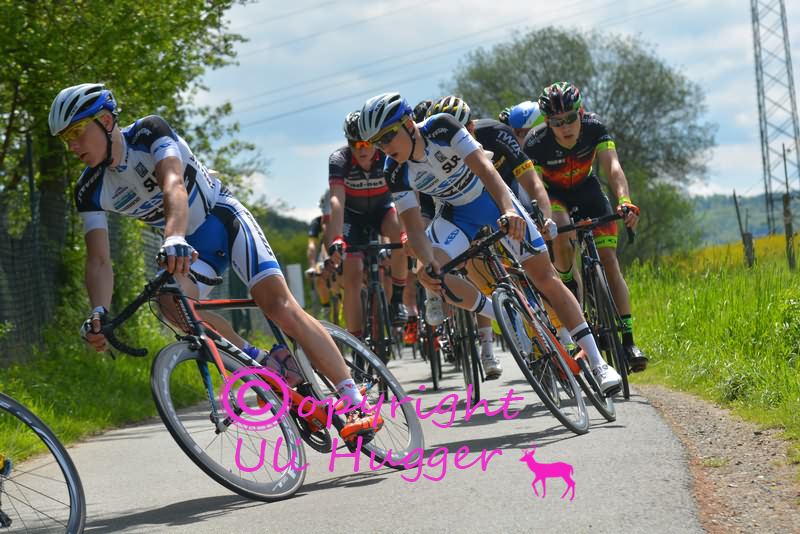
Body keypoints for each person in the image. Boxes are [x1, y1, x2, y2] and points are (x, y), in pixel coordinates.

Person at [50, 83, 381, 443]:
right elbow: (98, 258)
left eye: (76, 132)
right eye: (65, 139)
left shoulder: (148, 132)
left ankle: (354, 399)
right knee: (172, 303)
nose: (72, 146)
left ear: (105, 121)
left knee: (278, 306)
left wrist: (173, 237)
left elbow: (173, 184)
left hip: (222, 220)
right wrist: (98, 311)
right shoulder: (89, 188)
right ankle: (265, 364)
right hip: (190, 247)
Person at [359, 92, 622, 395]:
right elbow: (414, 226)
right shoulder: (394, 171)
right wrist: (428, 261)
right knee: (429, 274)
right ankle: (502, 315)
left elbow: (486, 170)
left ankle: (599, 363)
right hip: (456, 215)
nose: (384, 147)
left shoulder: (442, 127)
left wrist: (509, 210)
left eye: (387, 136)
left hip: (492, 200)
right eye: (377, 143)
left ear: (408, 123)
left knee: (544, 277)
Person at [424, 95, 558, 378]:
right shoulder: (431, 157)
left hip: (503, 192)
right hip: (463, 210)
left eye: (464, 131)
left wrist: (544, 216)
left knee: (539, 267)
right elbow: (426, 212)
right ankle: (489, 347)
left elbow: (531, 181)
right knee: (475, 268)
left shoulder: (495, 132)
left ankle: (564, 332)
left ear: (471, 127)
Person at [522, 82, 648, 372]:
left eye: (570, 118)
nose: (565, 127)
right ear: (547, 122)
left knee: (610, 262)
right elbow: (535, 187)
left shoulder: (594, 127)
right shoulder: (535, 142)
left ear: (580, 113)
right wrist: (543, 219)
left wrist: (624, 201)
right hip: (555, 197)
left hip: (587, 190)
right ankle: (568, 285)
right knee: (562, 228)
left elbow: (613, 167)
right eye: (556, 122)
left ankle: (629, 341)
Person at [326, 111, 409, 340]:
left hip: (382, 210)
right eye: (355, 144)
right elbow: (336, 201)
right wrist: (337, 238)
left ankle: (397, 300)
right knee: (352, 277)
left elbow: (401, 196)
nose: (362, 150)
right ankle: (357, 340)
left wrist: (406, 233)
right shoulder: (339, 160)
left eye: (366, 143)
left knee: (399, 234)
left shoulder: (386, 155)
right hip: (353, 217)